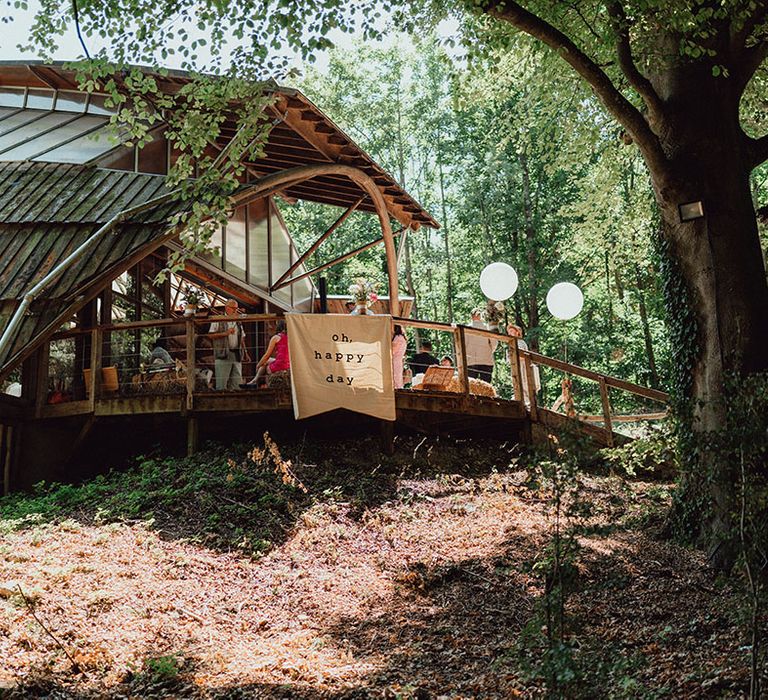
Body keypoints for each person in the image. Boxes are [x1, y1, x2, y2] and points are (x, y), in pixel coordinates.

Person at [209, 299, 250, 390]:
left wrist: (246, 352)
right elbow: (210, 335)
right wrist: (225, 333)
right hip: (223, 354)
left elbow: (242, 338)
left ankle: (236, 402)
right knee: (222, 383)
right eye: (233, 308)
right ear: (226, 308)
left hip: (236, 354)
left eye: (236, 308)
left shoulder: (238, 322)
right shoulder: (218, 319)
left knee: (237, 383)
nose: (236, 311)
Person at [246, 320, 290, 387]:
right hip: (288, 365)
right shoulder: (291, 338)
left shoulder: (275, 337)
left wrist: (258, 365)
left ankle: (255, 380)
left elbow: (266, 355)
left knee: (265, 363)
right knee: (269, 360)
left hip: (279, 366)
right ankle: (254, 381)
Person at [506, 323, 541, 404]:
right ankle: (519, 399)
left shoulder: (520, 342)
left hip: (522, 366)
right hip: (515, 366)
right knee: (517, 383)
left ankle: (526, 402)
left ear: (517, 333)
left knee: (524, 383)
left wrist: (513, 356)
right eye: (509, 332)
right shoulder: (512, 343)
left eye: (511, 331)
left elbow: (522, 355)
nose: (509, 333)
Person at [464, 308, 497, 382]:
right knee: (486, 385)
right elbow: (494, 342)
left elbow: (463, 345)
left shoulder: (466, 329)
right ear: (481, 316)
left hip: (471, 360)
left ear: (471, 317)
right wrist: (490, 351)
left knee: (472, 385)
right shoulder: (487, 328)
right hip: (486, 360)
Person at [391, 324, 407, 389]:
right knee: (398, 377)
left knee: (395, 377)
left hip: (395, 360)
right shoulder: (403, 338)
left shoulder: (398, 338)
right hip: (399, 361)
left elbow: (392, 350)